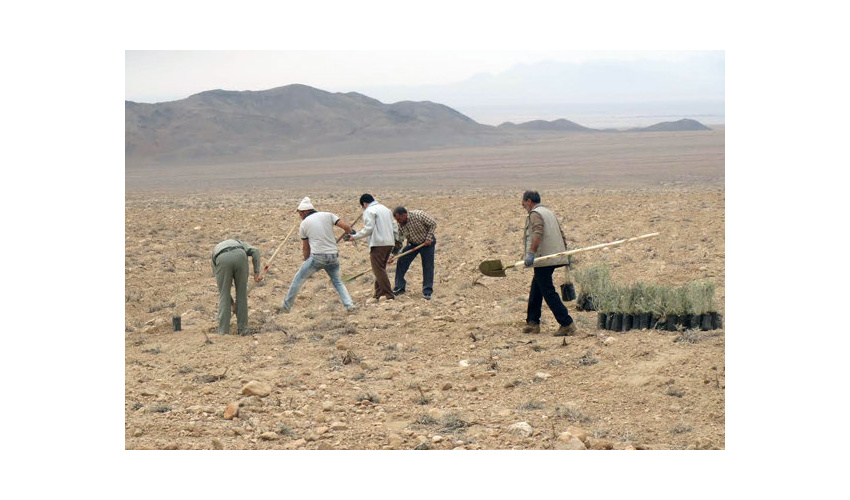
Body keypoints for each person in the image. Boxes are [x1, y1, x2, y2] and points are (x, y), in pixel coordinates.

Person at [281, 197, 356, 313]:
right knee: (338, 282)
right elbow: (346, 227)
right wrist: (350, 233)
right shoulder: (329, 215)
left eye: (300, 213)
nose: (300, 215)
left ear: (305, 211)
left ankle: (286, 307)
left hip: (317, 257)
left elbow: (306, 247)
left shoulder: (304, 224)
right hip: (333, 256)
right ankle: (350, 306)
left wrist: (306, 261)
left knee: (298, 279)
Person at [520, 190, 577, 336]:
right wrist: (565, 252)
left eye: (523, 202)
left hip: (543, 258)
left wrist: (531, 253)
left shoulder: (535, 214)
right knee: (536, 289)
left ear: (528, 201)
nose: (522, 205)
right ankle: (533, 323)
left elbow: (537, 233)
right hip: (552, 256)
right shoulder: (548, 212)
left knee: (547, 291)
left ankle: (566, 323)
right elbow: (561, 233)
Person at [344, 193, 399, 301]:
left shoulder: (369, 211)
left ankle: (389, 294)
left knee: (378, 269)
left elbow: (368, 229)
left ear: (364, 203)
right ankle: (378, 294)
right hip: (389, 242)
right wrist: (395, 242)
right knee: (380, 269)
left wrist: (354, 237)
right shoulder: (386, 209)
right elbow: (394, 227)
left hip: (378, 243)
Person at [211, 238, 262, 335]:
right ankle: (243, 329)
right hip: (240, 255)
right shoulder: (240, 243)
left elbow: (222, 290)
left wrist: (231, 303)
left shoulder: (215, 251)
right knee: (241, 294)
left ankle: (223, 331)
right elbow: (255, 251)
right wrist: (256, 272)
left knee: (224, 295)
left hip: (221, 258)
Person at [388, 206, 437, 300]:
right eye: (396, 220)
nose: (398, 221)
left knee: (427, 266)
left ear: (405, 214)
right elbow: (399, 242)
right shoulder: (401, 226)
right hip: (413, 245)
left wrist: (428, 238)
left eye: (399, 219)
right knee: (401, 261)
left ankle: (427, 291)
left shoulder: (418, 215)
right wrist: (392, 255)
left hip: (427, 244)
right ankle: (400, 287)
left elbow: (433, 224)